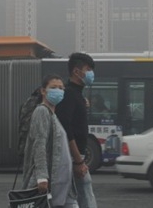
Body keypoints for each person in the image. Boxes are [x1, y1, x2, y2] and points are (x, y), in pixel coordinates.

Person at [22, 74, 78, 208]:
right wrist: (41, 177)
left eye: (61, 88)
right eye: (53, 87)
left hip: (63, 183)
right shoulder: (42, 111)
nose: (58, 91)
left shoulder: (53, 115)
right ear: (43, 91)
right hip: (50, 183)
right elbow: (39, 145)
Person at [56, 53, 98, 208]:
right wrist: (78, 161)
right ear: (76, 71)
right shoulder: (69, 94)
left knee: (79, 196)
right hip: (72, 157)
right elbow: (66, 129)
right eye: (88, 69)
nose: (91, 73)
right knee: (85, 196)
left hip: (75, 157)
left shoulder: (76, 95)